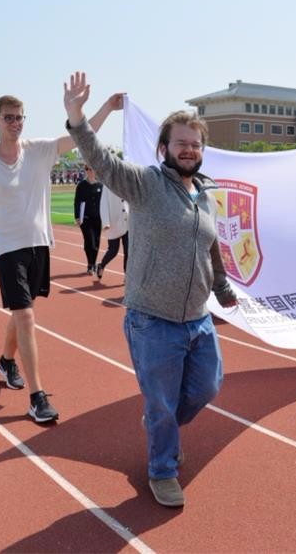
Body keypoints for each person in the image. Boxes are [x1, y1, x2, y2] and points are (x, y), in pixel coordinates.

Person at [64, 72, 238, 509]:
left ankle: (161, 426)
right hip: (152, 320)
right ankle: (163, 468)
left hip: (198, 318)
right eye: (181, 143)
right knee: (161, 402)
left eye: (195, 145)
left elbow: (211, 245)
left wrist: (220, 285)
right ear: (164, 149)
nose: (189, 150)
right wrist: (78, 117)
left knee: (206, 389)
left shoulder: (203, 193)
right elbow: (101, 161)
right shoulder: (144, 184)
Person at [0, 90, 118, 424]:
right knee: (27, 317)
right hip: (6, 245)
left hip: (38, 243)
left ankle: (6, 360)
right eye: (9, 117)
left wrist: (106, 107)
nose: (15, 123)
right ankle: (37, 397)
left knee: (24, 310)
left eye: (20, 117)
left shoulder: (39, 150)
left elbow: (81, 135)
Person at [95, 183, 129, 281]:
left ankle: (127, 275)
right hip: (114, 223)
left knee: (128, 251)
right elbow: (103, 204)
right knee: (113, 251)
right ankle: (101, 265)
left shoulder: (127, 181)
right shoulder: (108, 184)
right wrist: (106, 222)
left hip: (127, 222)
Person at [74, 165, 104, 274]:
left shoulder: (100, 185)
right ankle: (90, 264)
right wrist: (77, 216)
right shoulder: (81, 185)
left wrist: (106, 218)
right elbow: (77, 201)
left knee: (96, 242)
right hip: (85, 218)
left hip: (97, 219)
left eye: (91, 169)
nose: (90, 171)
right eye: (87, 169)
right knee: (89, 241)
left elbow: (104, 203)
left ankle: (93, 263)